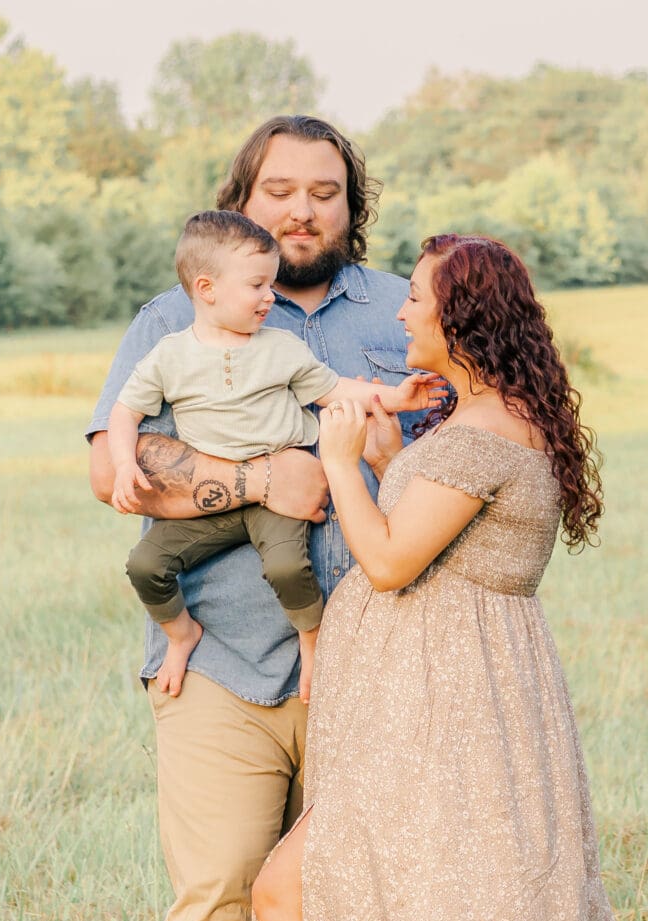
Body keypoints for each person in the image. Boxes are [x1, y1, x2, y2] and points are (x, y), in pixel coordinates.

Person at [252, 234, 642, 921]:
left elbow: (393, 562)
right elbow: (448, 544)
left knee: (301, 896)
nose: (401, 311)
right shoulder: (487, 420)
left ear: (460, 319)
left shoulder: (483, 433)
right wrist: (392, 461)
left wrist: (338, 459)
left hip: (441, 717)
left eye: (417, 300)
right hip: (435, 708)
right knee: (411, 911)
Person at [87, 115, 422, 921]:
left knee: (371, 900)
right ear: (239, 197)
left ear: (352, 206)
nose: (302, 212)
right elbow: (109, 472)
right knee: (218, 898)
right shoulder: (172, 318)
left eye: (325, 193)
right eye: (279, 191)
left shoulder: (405, 308)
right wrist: (259, 476)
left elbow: (462, 469)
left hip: (378, 662)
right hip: (222, 666)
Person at [109, 209, 443, 699]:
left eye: (271, 284)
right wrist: (123, 465)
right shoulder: (169, 355)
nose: (271, 296)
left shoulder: (280, 348)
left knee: (287, 569)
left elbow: (334, 390)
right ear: (207, 290)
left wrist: (395, 398)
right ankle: (181, 635)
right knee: (145, 565)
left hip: (281, 501)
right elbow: (124, 413)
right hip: (214, 503)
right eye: (258, 286)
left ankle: (311, 638)